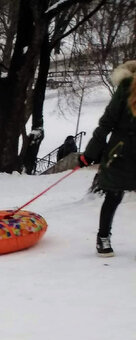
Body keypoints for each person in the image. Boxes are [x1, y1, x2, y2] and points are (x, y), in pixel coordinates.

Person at [81, 59, 136, 257]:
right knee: (114, 195)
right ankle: (103, 237)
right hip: (121, 152)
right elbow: (107, 123)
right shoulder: (126, 89)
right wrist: (90, 153)